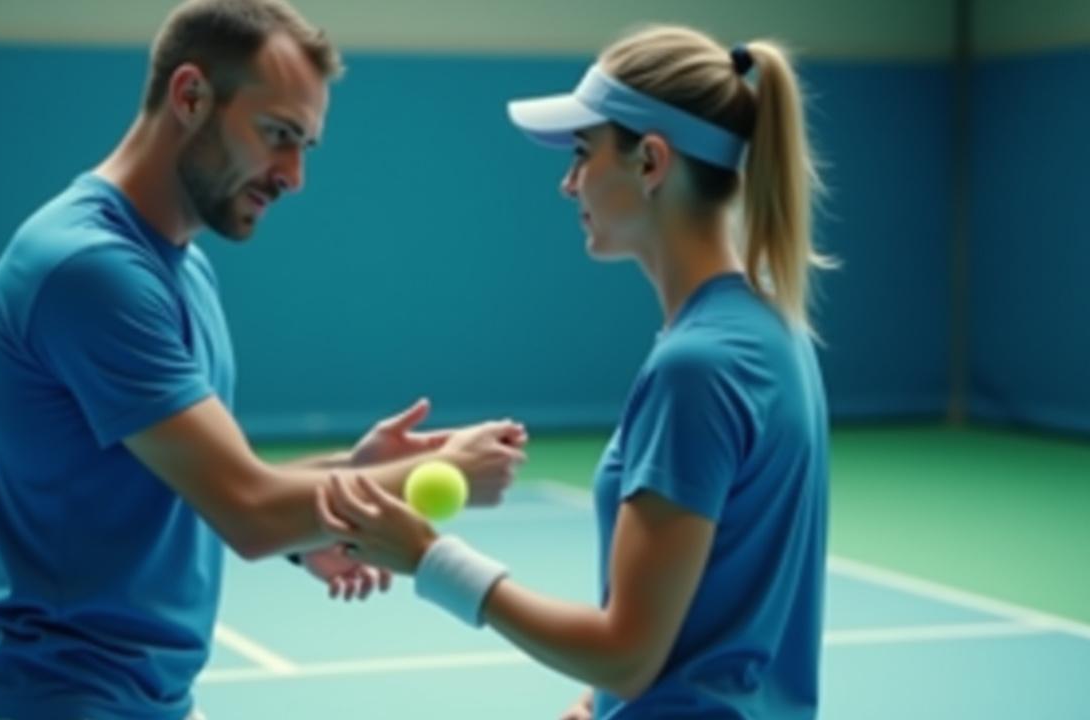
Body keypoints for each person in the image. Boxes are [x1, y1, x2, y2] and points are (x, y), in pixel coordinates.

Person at [0, 1, 526, 718]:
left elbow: (204, 483)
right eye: (279, 135)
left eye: (306, 144)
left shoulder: (181, 267)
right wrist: (447, 472)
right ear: (189, 96)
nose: (294, 175)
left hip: (144, 700)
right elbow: (249, 512)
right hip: (54, 700)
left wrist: (356, 472)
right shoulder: (90, 270)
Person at [317, 24, 831, 720]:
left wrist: (430, 557)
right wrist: (599, 701)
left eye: (583, 155)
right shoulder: (772, 334)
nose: (567, 184)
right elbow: (697, 614)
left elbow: (627, 652)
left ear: (651, 162)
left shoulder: (698, 368)